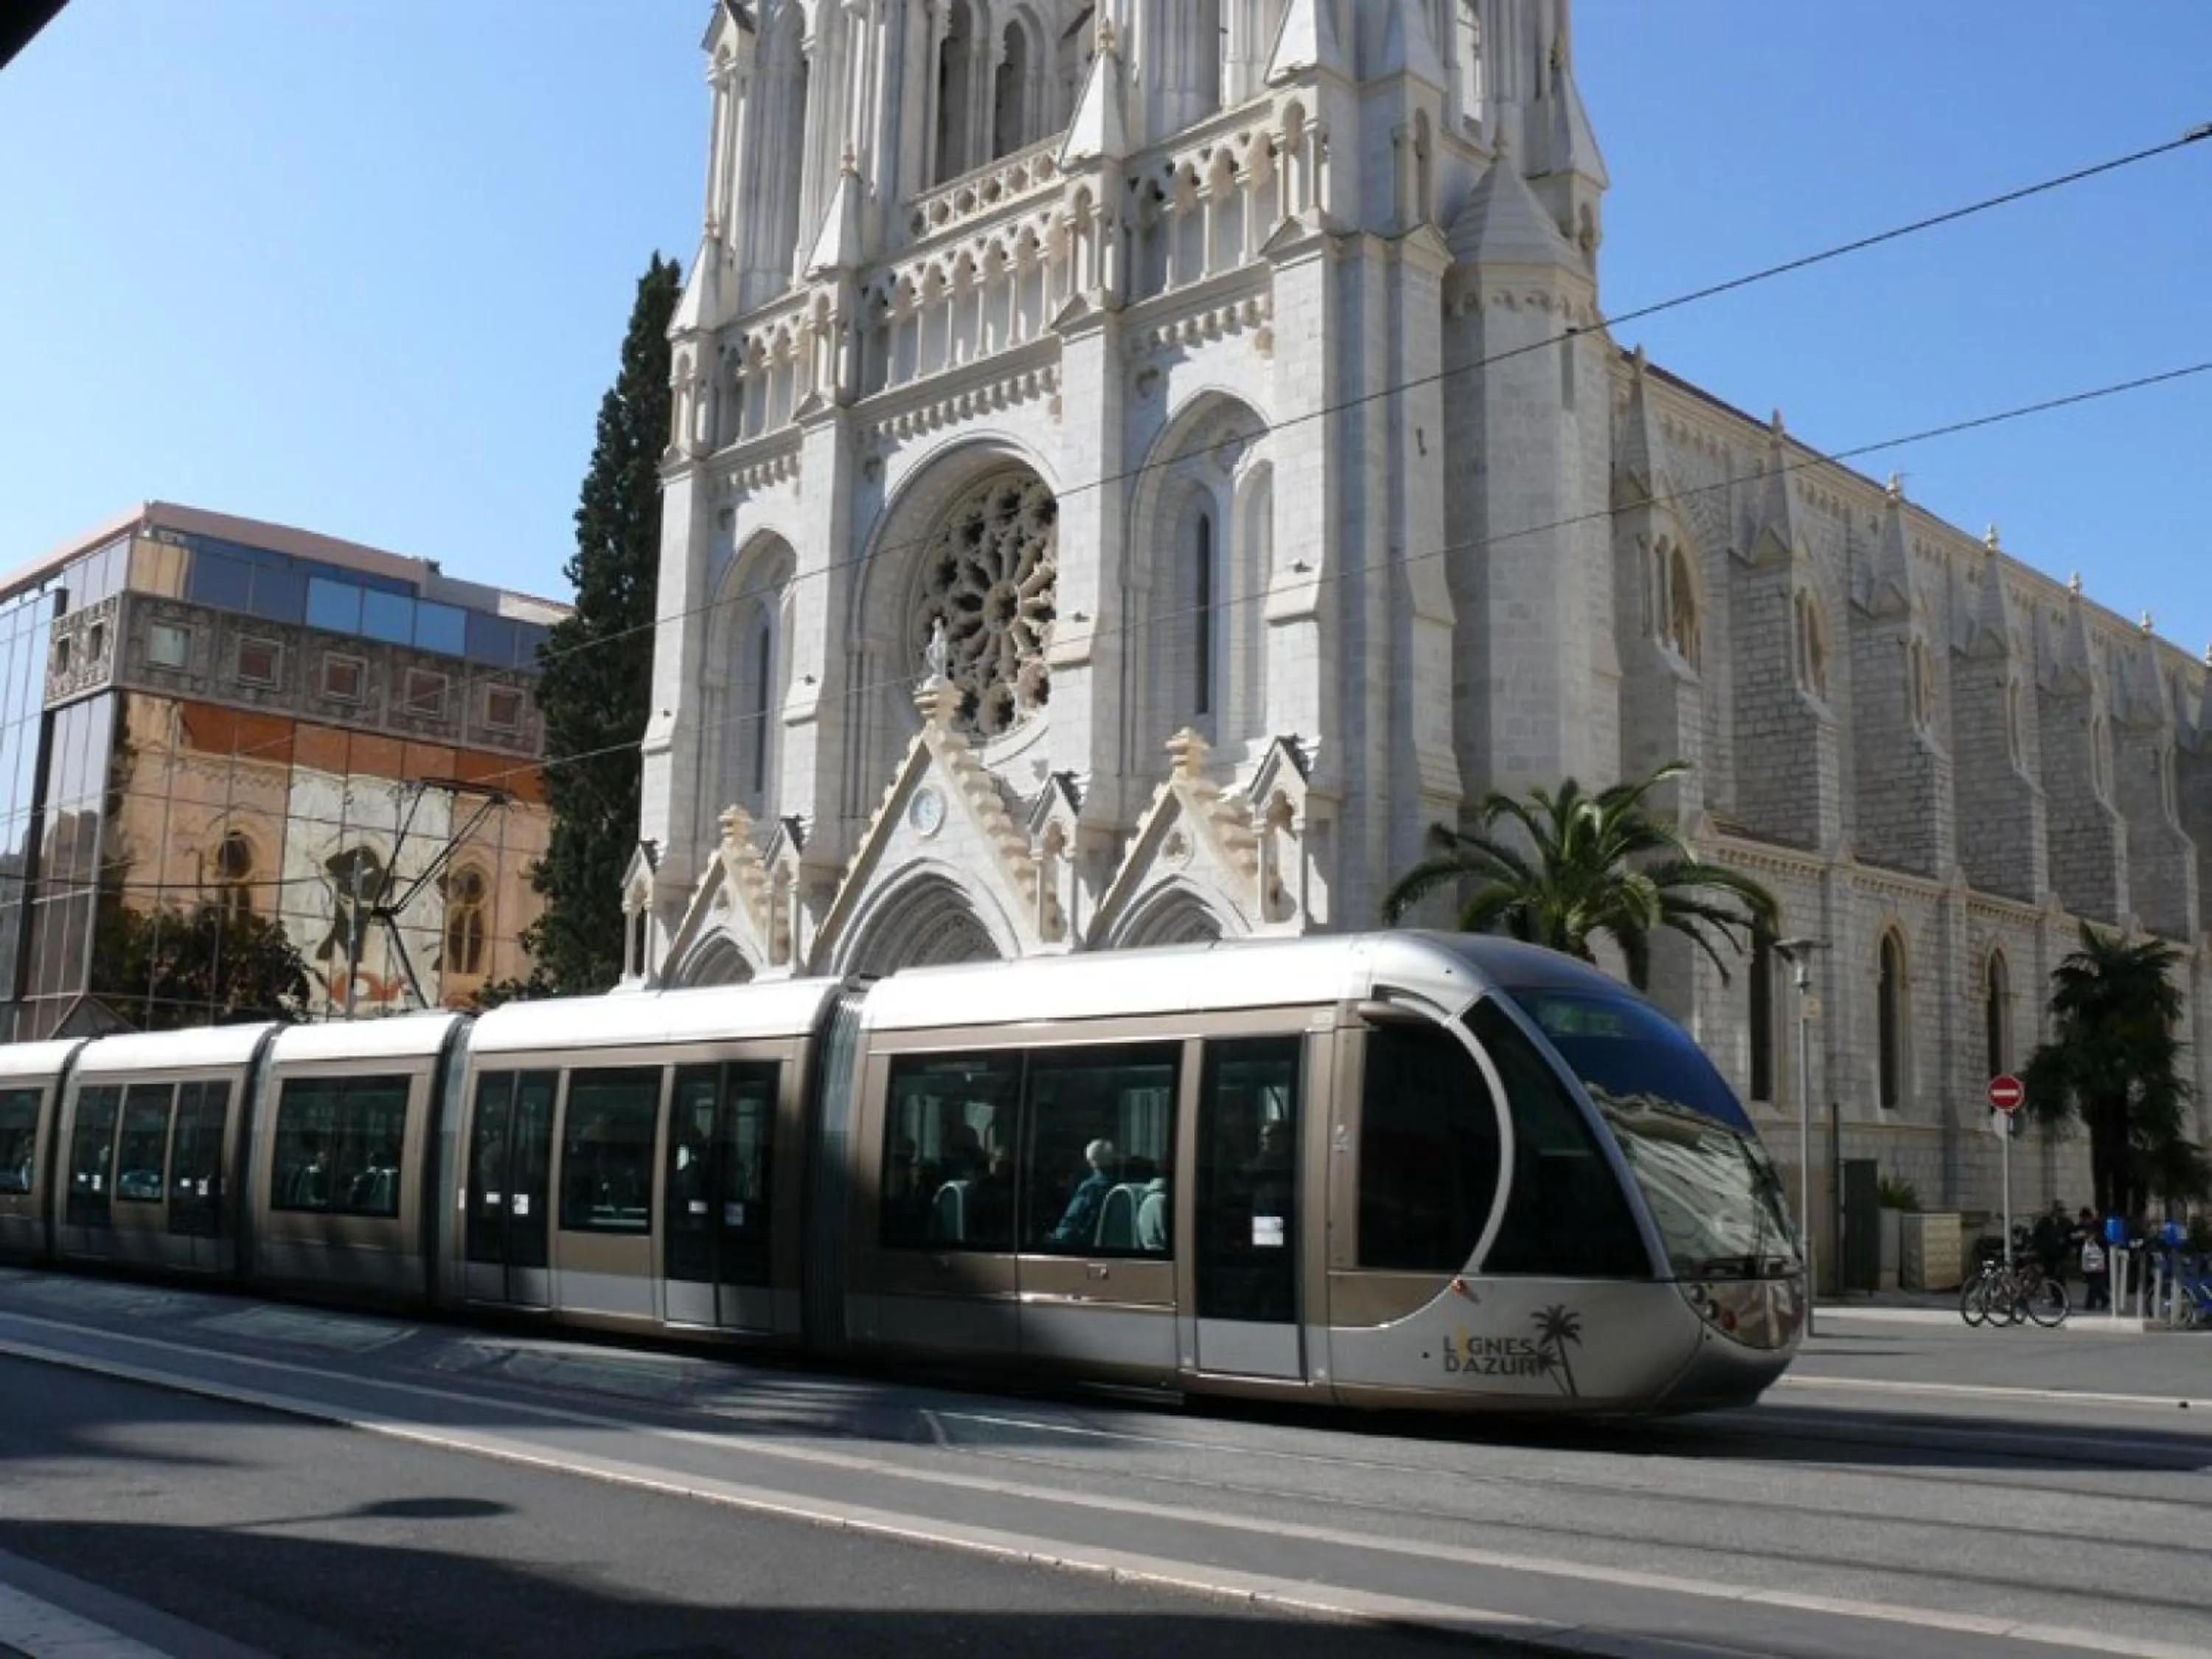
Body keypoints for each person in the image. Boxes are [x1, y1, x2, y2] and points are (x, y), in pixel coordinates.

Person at [1048, 1138, 1116, 1247]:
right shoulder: (1119, 1185)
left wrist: (1057, 1236)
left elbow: (1073, 1218)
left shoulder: (1091, 1187)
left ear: (1091, 1161)